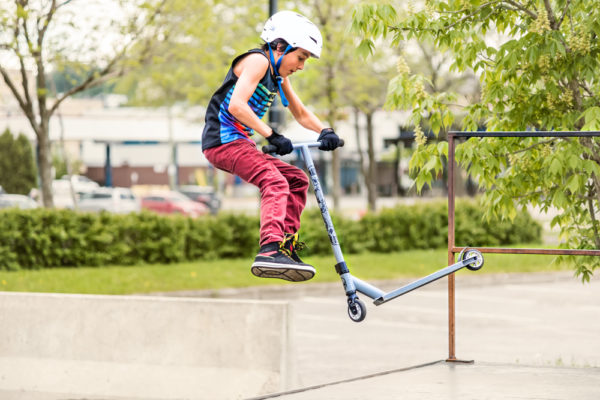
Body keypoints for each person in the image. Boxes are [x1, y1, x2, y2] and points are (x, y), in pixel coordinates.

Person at [202, 11, 341, 282]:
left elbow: (300, 113)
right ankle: (269, 249)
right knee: (274, 181)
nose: (301, 66)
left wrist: (326, 130)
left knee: (297, 180)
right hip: (222, 141)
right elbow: (236, 105)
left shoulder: (278, 76)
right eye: (300, 57)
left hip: (239, 143)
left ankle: (285, 247)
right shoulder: (257, 61)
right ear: (280, 46)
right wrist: (271, 134)